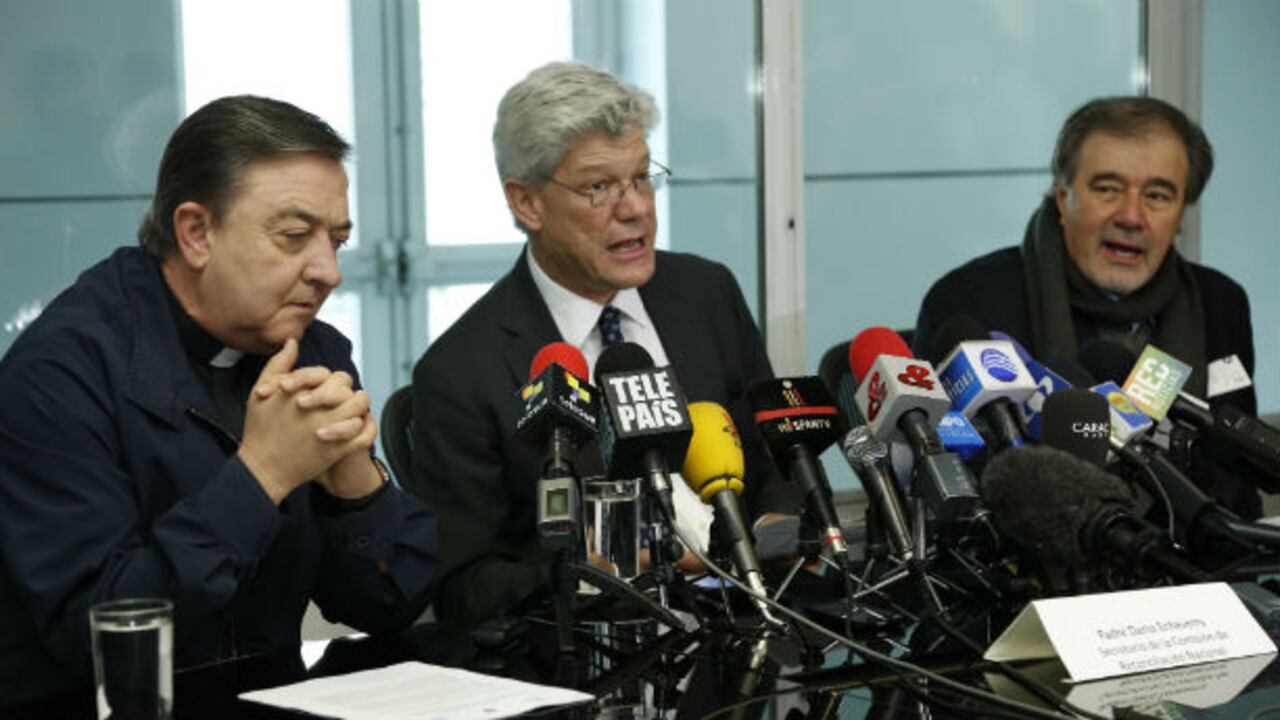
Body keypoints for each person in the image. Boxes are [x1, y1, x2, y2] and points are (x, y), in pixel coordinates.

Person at [0, 95, 441, 708]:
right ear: (196, 232)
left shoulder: (312, 349)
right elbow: (104, 635)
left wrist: (354, 486)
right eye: (294, 236)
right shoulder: (59, 373)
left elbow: (393, 604)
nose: (328, 272)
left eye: (336, 241)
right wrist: (262, 475)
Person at [407, 62, 799, 627]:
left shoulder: (706, 292)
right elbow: (464, 588)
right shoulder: (461, 371)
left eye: (641, 177)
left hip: (747, 626)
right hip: (592, 662)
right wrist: (599, 573)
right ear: (527, 203)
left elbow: (770, 462)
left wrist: (772, 529)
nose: (636, 207)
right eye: (599, 187)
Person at [912, 95, 1259, 513]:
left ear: (1181, 212)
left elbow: (1237, 479)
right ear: (1063, 198)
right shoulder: (969, 302)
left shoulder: (1220, 302)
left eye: (1158, 195)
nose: (1131, 216)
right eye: (1108, 189)